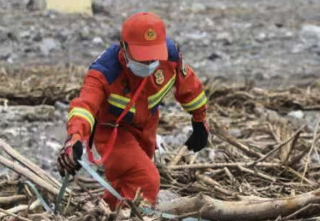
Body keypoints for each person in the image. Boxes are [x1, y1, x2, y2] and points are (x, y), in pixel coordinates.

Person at [56, 11, 209, 207]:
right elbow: (84, 106)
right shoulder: (104, 72)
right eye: (142, 57)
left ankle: (110, 213)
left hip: (147, 126)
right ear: (123, 47)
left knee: (125, 181)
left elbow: (189, 86)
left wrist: (199, 120)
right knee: (146, 180)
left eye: (153, 56)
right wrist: (75, 137)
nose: (149, 63)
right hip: (113, 131)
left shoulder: (170, 57)